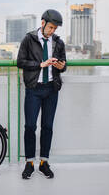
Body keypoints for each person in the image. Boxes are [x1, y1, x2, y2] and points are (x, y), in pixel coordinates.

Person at [17, 9, 67, 179]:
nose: (53, 31)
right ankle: (29, 163)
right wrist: (41, 64)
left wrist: (61, 66)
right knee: (30, 126)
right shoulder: (29, 39)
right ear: (43, 23)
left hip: (52, 89)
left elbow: (64, 64)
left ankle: (44, 163)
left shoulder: (58, 42)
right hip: (34, 88)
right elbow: (20, 62)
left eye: (55, 29)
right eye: (51, 27)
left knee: (47, 127)